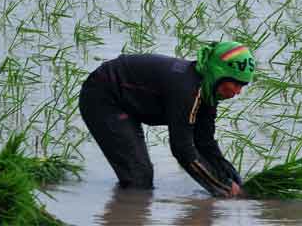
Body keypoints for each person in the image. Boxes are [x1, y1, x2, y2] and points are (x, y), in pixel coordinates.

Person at [78, 41, 255, 198]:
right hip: (103, 96)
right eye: (235, 83)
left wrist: (234, 179)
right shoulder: (187, 91)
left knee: (139, 176)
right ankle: (126, 211)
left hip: (127, 102)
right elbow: (182, 150)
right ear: (218, 74)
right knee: (139, 178)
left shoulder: (207, 92)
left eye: (243, 85)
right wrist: (223, 187)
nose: (238, 91)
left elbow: (205, 142)